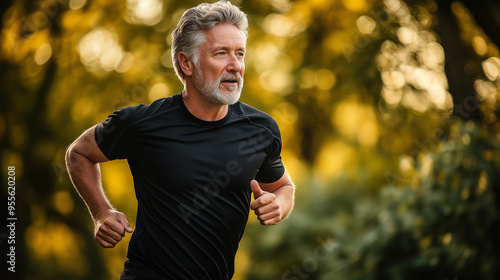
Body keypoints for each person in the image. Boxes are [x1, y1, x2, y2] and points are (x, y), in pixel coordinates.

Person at [65, 1, 295, 279]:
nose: (235, 66)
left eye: (240, 54)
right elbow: (79, 153)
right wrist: (101, 212)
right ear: (186, 63)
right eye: (221, 53)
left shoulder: (261, 129)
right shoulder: (142, 123)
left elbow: (283, 187)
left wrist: (278, 205)